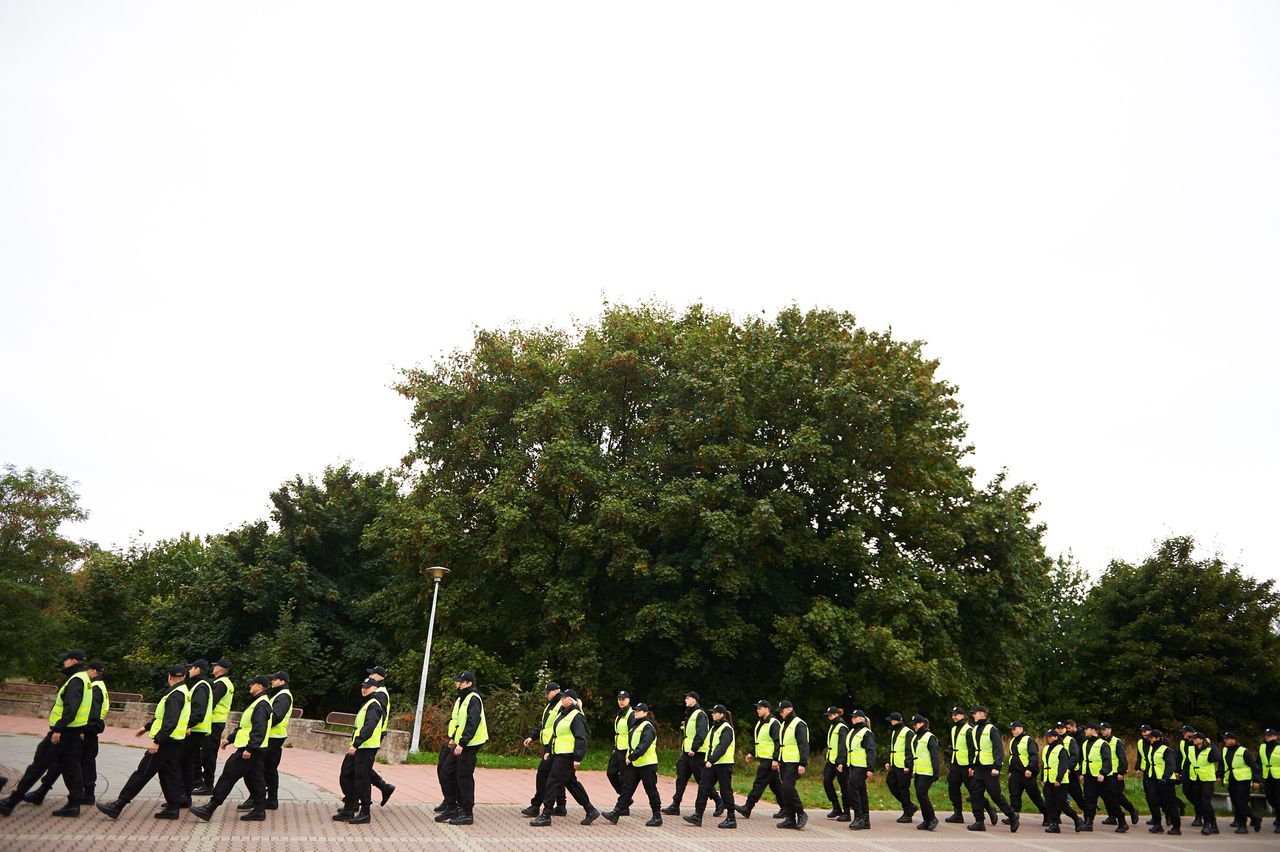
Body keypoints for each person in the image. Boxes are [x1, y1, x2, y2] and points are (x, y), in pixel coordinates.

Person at [0, 649, 93, 818]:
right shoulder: (85, 679)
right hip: (74, 733)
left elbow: (71, 708)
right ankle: (73, 805)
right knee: (71, 768)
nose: (63, 664)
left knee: (38, 766)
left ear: (73, 661)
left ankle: (11, 802)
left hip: (63, 732)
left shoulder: (76, 680)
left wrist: (58, 728)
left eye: (65, 661)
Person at [96, 664, 192, 820]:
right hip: (175, 741)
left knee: (142, 773)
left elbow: (170, 721)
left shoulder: (175, 695)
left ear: (169, 677)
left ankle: (118, 804)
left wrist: (157, 741)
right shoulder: (183, 692)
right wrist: (147, 727)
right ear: (184, 677)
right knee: (170, 775)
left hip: (166, 742)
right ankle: (173, 808)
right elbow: (164, 718)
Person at [22, 659, 110, 809]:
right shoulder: (99, 685)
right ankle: (82, 794)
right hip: (88, 730)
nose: (86, 672)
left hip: (83, 731)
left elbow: (91, 712)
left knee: (64, 762)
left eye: (88, 670)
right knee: (77, 762)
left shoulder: (94, 687)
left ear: (94, 671)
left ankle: (47, 793)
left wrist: (83, 730)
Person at [190, 674, 273, 823]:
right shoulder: (259, 703)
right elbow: (245, 727)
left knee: (228, 775)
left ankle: (210, 808)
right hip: (255, 748)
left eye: (252, 684)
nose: (250, 686)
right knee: (255, 779)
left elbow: (259, 729)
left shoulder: (261, 705)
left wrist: (250, 749)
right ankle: (259, 811)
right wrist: (230, 739)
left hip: (249, 749)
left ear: (259, 686)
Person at [530, 689, 599, 826]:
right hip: (558, 753)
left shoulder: (576, 716)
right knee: (571, 783)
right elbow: (556, 734)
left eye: (565, 697)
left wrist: (578, 757)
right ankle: (590, 810)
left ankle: (546, 814)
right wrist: (549, 750)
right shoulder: (562, 713)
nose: (562, 699)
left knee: (553, 782)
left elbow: (581, 738)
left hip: (567, 756)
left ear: (571, 700)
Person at [433, 671, 488, 825]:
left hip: (469, 744)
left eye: (460, 682)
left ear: (469, 683)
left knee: (464, 778)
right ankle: (452, 806)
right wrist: (453, 738)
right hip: (459, 742)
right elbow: (458, 721)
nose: (457, 684)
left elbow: (473, 722)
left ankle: (467, 813)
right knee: (446, 772)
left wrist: (462, 743)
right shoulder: (462, 698)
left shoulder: (473, 698)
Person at [330, 677, 385, 825]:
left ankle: (365, 813)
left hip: (365, 748)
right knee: (346, 774)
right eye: (362, 687)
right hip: (360, 747)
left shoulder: (374, 704)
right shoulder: (368, 703)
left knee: (362, 779)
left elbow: (369, 726)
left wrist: (357, 744)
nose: (363, 689)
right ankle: (349, 807)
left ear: (374, 688)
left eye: (367, 687)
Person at [602, 702, 663, 826]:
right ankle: (616, 812)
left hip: (647, 764)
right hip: (635, 764)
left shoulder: (648, 727)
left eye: (639, 711)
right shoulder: (635, 725)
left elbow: (644, 745)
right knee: (627, 788)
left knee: (651, 790)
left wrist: (631, 756)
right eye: (635, 711)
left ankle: (657, 816)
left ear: (645, 713)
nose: (636, 713)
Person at [662, 691, 721, 816]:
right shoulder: (690, 714)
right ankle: (675, 805)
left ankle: (718, 801)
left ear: (694, 700)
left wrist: (694, 748)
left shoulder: (700, 714)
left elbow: (702, 734)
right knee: (681, 778)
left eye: (687, 698)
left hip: (697, 753)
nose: (685, 700)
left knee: (702, 780)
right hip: (686, 752)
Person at [242, 671, 292, 811]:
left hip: (274, 737)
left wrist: (262, 722)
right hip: (273, 736)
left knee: (262, 769)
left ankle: (261, 798)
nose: (272, 682)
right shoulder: (279, 695)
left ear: (282, 681)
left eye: (274, 680)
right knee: (268, 769)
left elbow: (277, 716)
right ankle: (269, 800)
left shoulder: (283, 696)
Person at [682, 704, 736, 828]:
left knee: (725, 790)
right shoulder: (714, 728)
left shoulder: (726, 728)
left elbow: (722, 747)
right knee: (703, 787)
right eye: (712, 712)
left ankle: (731, 818)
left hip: (723, 764)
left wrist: (711, 760)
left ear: (722, 714)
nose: (712, 714)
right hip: (712, 764)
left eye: (715, 713)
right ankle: (698, 815)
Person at [520, 681, 566, 817]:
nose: (545, 696)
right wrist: (533, 736)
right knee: (558, 777)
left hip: (555, 747)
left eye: (548, 693)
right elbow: (544, 724)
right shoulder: (550, 705)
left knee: (544, 775)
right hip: (551, 746)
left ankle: (536, 805)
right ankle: (561, 805)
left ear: (557, 691)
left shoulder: (561, 705)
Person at [964, 705, 1015, 832]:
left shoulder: (992, 729)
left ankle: (1012, 816)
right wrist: (972, 766)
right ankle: (979, 821)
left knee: (995, 796)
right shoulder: (974, 730)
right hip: (979, 768)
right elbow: (973, 749)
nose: (973, 715)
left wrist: (997, 766)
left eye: (975, 713)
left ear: (982, 714)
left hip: (990, 768)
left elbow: (998, 749)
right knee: (976, 795)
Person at [735, 699, 783, 819]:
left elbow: (778, 743)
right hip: (764, 758)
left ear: (767, 709)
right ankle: (786, 808)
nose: (757, 710)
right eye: (757, 708)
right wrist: (752, 753)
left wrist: (776, 759)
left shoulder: (774, 723)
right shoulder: (760, 723)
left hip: (769, 760)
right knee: (776, 786)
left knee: (759, 783)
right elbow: (760, 742)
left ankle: (747, 807)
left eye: (759, 708)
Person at [1080, 721, 1125, 832]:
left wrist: (1103, 773)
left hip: (1103, 778)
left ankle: (1122, 822)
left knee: (1110, 800)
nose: (1085, 731)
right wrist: (1082, 773)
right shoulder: (1085, 743)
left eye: (1087, 729)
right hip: (1090, 776)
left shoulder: (1102, 744)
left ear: (1093, 730)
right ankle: (1088, 823)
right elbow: (1084, 760)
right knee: (1089, 799)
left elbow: (1107, 760)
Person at [199, 659, 235, 795]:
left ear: (220, 669)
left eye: (215, 666)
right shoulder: (226, 682)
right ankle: (205, 782)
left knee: (208, 754)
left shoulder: (220, 684)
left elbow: (211, 702)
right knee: (207, 753)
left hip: (213, 722)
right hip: (216, 722)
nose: (213, 668)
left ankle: (208, 784)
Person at [775, 700, 809, 830]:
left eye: (782, 711)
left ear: (789, 709)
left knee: (788, 787)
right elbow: (782, 744)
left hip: (795, 761)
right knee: (784, 789)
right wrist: (778, 760)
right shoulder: (785, 724)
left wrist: (803, 763)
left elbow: (803, 744)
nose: (781, 714)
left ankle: (801, 813)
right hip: (784, 761)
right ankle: (790, 818)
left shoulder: (799, 724)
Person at [364, 667, 396, 806]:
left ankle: (383, 788)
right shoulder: (377, 691)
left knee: (362, 767)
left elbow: (377, 716)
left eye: (373, 674)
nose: (370, 676)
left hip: (374, 734)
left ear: (379, 677)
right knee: (361, 766)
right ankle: (384, 787)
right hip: (374, 734)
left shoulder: (380, 693)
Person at [182, 660, 213, 801]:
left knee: (184, 761)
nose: (189, 671)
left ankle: (183, 796)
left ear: (197, 669)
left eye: (191, 668)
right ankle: (184, 797)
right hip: (197, 728)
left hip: (195, 729)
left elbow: (198, 711)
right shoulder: (202, 685)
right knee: (189, 761)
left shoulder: (201, 686)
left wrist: (188, 725)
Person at [1040, 729, 1083, 833]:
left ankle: (1077, 819)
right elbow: (1044, 765)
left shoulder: (1061, 749)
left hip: (1060, 782)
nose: (1048, 738)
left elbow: (1063, 766)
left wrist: (1058, 779)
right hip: (1048, 780)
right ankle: (1054, 824)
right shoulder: (1046, 749)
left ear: (1055, 737)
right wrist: (1042, 778)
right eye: (1047, 736)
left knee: (1062, 804)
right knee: (1049, 803)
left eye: (1050, 736)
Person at [1220, 732, 1262, 834]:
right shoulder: (1225, 750)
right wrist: (1219, 775)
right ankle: (1254, 817)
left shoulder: (1244, 751)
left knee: (1241, 802)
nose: (1225, 741)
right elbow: (1222, 763)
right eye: (1225, 739)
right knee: (1235, 802)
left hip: (1243, 780)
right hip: (1232, 779)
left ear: (1234, 740)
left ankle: (1243, 825)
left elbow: (1255, 766)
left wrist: (1257, 780)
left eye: (1227, 739)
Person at [1098, 722, 1139, 826]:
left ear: (1110, 730)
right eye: (1102, 730)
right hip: (1106, 772)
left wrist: (1121, 772)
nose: (1103, 731)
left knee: (1117, 795)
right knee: (1106, 795)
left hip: (1116, 773)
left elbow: (1122, 758)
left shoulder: (1117, 742)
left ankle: (1132, 810)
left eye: (1105, 729)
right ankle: (1112, 816)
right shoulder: (1101, 742)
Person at [1006, 721, 1045, 825]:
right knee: (1014, 795)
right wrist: (1010, 770)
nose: (1012, 731)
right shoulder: (1013, 740)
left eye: (1014, 729)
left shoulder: (1028, 740)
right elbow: (1012, 757)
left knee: (1034, 795)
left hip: (1027, 773)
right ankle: (1013, 816)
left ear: (1021, 729)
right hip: (1015, 773)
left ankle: (1047, 814)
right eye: (1011, 729)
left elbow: (1034, 756)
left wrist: (1030, 769)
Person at [842, 709, 875, 830]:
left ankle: (858, 817)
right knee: (861, 792)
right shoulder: (852, 731)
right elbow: (848, 749)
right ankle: (865, 820)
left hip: (862, 766)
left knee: (852, 788)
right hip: (853, 765)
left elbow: (871, 751)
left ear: (861, 719)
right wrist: (842, 762)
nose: (853, 719)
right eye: (852, 717)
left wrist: (870, 768)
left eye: (855, 717)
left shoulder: (866, 733)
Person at [1145, 729, 1183, 835]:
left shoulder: (1167, 750)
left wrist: (1165, 777)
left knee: (1170, 804)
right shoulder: (1151, 748)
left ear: (1158, 738)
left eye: (1152, 737)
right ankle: (1157, 824)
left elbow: (1171, 765)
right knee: (1152, 801)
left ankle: (1176, 826)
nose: (1150, 739)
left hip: (1166, 781)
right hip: (1154, 780)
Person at [909, 714, 941, 831]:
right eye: (913, 725)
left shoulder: (930, 737)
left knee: (922, 794)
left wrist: (935, 772)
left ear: (922, 723)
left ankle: (932, 818)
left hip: (927, 771)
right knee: (920, 795)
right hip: (918, 771)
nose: (914, 727)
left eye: (916, 724)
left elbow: (934, 756)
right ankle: (926, 820)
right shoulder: (915, 737)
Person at [884, 711, 916, 823]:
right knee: (890, 783)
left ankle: (907, 813)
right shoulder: (894, 732)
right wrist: (889, 761)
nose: (890, 722)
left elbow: (909, 750)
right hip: (895, 765)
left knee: (903, 789)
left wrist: (908, 765)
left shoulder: (908, 732)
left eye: (891, 720)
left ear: (896, 721)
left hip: (903, 766)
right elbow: (894, 749)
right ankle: (910, 806)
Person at [1187, 731, 1220, 835]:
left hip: (1207, 779)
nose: (1193, 739)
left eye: (1196, 738)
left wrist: (1212, 744)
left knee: (1206, 802)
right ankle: (1214, 825)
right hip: (1195, 778)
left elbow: (1217, 758)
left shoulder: (1209, 749)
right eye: (1193, 738)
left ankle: (1207, 824)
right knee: (1199, 801)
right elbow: (1188, 762)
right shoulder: (1191, 749)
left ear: (1201, 740)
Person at [944, 706, 972, 823]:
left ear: (963, 715)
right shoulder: (953, 729)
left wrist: (972, 765)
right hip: (955, 763)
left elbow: (972, 749)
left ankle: (989, 808)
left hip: (966, 764)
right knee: (953, 787)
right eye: (953, 714)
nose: (954, 716)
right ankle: (958, 813)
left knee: (973, 790)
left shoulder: (969, 730)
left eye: (956, 714)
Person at [606, 691, 634, 805]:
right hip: (617, 749)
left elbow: (633, 734)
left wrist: (630, 752)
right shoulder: (620, 714)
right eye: (619, 699)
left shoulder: (631, 714)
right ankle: (625, 799)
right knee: (610, 773)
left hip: (625, 750)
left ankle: (624, 805)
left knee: (624, 778)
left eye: (623, 699)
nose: (621, 701)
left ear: (628, 700)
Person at [821, 706, 848, 821]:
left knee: (844, 786)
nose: (829, 717)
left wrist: (841, 761)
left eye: (831, 715)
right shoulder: (833, 726)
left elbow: (843, 745)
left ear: (836, 714)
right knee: (826, 781)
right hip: (831, 761)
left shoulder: (842, 727)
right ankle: (836, 807)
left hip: (839, 761)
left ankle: (847, 812)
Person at [1052, 720, 1086, 812]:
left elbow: (1075, 756)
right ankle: (1055, 818)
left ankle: (1088, 814)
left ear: (1065, 729)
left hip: (1069, 772)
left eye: (1062, 728)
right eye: (1058, 728)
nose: (1060, 730)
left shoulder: (1070, 740)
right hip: (1057, 772)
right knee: (1056, 796)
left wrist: (1069, 768)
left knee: (1077, 795)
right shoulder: (1053, 741)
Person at [1134, 724, 1160, 824]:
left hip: (1157, 772)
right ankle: (1155, 816)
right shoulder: (1140, 742)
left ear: (1150, 731)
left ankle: (1169, 814)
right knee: (1149, 795)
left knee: (1160, 795)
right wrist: (1138, 768)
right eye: (1142, 731)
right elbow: (1140, 756)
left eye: (1145, 731)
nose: (1143, 733)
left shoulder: (1155, 741)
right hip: (1146, 771)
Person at [1261, 728, 1280, 834]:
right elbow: (1259, 761)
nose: (1267, 737)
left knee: (1278, 798)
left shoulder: (1279, 747)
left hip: (1278, 777)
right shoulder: (1262, 747)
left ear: (1275, 736)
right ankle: (1278, 814)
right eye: (1266, 735)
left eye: (1270, 735)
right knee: (1270, 798)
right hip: (1267, 776)